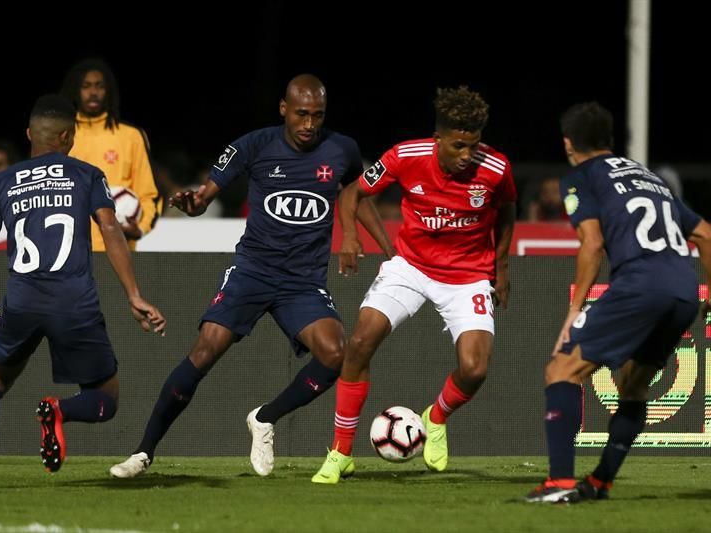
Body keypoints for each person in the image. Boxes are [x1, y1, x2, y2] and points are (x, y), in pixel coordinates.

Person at [109, 74, 394, 479]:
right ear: (283, 109)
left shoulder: (342, 148)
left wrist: (376, 245)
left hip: (303, 281)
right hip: (253, 271)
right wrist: (192, 203)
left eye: (317, 115)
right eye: (301, 114)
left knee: (335, 354)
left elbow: (355, 193)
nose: (309, 124)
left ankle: (265, 418)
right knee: (204, 351)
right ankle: (143, 453)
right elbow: (205, 195)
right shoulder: (254, 145)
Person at [0, 95, 166, 490]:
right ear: (69, 136)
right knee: (106, 398)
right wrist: (134, 294)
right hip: (73, 300)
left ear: (30, 134)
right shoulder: (87, 174)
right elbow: (111, 229)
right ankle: (58, 411)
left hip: (22, 300)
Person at [312, 86, 517, 483]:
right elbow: (353, 191)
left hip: (468, 274)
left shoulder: (495, 167)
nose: (466, 156)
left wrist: (502, 266)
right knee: (359, 343)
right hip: (411, 267)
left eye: (472, 146)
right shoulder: (405, 156)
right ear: (438, 138)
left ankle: (436, 417)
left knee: (474, 370)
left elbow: (507, 207)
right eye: (458, 146)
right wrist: (350, 236)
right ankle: (341, 451)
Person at [525, 102, 711, 503]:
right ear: (609, 140)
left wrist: (574, 309)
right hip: (683, 288)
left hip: (640, 284)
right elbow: (706, 235)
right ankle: (601, 481)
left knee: (562, 369)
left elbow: (591, 244)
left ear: (568, 143)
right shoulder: (649, 177)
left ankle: (558, 485)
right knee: (632, 384)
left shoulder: (582, 176)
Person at [60, 58, 161, 251]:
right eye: (86, 86)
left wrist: (139, 228)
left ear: (108, 91)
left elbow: (150, 194)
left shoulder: (131, 136)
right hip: (71, 250)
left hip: (119, 249)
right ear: (76, 90)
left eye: (99, 86)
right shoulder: (63, 135)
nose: (93, 92)